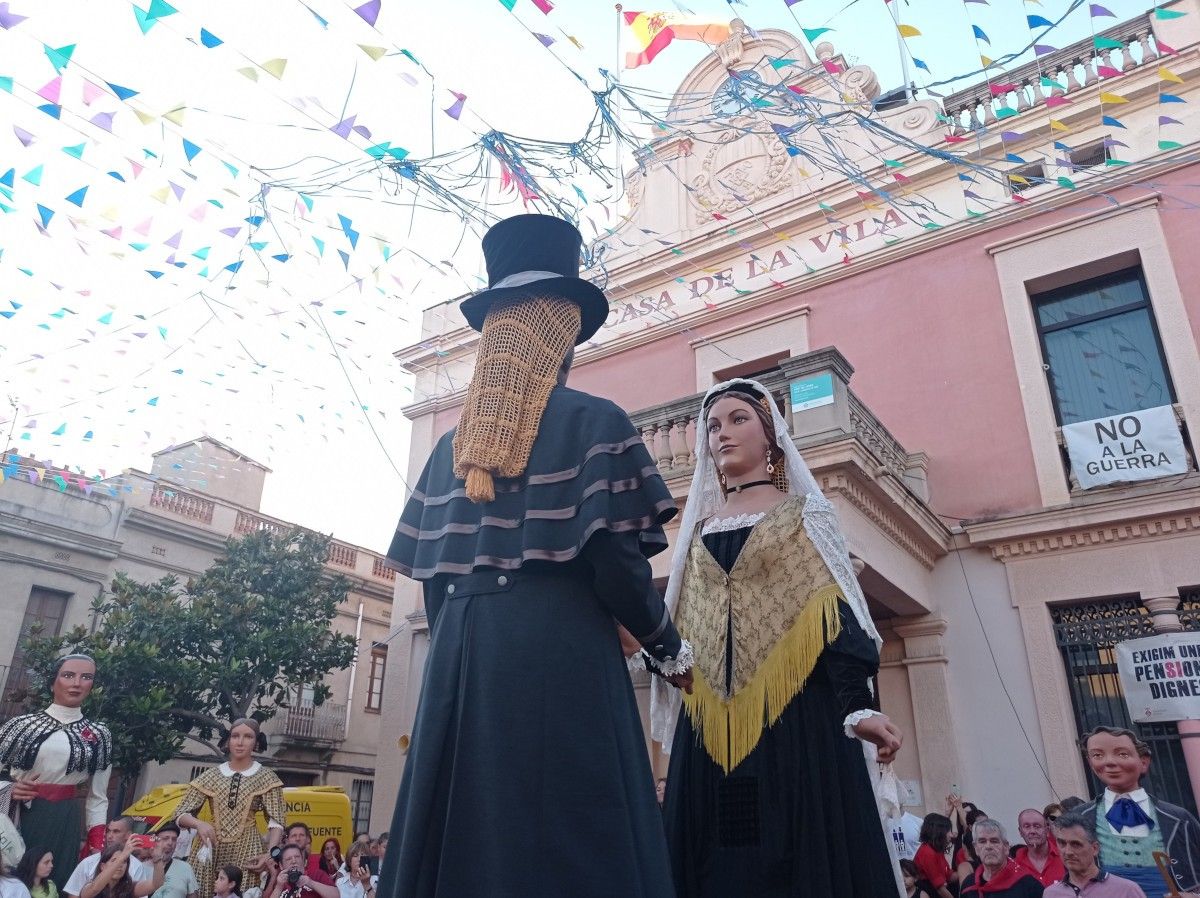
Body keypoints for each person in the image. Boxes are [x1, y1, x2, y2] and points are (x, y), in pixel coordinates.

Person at [378, 214, 691, 897]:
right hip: (560, 649)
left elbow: (435, 584)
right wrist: (671, 653)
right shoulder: (593, 421)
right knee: (574, 838)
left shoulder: (447, 451)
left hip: (461, 655)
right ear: (559, 335)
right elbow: (619, 570)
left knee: (463, 841)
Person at [651, 378, 903, 898]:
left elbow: (838, 613)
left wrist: (859, 706)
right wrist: (663, 657)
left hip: (794, 722)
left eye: (739, 419)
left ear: (770, 436)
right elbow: (678, 620)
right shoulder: (696, 531)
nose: (723, 433)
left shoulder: (806, 514)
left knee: (791, 858)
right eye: (713, 425)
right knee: (719, 866)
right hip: (709, 735)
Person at [0, 655, 113, 891]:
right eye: (68, 675)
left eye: (86, 677)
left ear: (92, 686)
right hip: (19, 815)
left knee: (56, 880)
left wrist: (97, 845)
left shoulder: (99, 734)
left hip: (64, 819)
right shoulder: (20, 725)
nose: (77, 683)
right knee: (14, 878)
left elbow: (98, 797)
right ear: (53, 682)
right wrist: (9, 788)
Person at [1077, 725, 1200, 896]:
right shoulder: (1079, 818)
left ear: (1143, 762)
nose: (1109, 762)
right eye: (1098, 755)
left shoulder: (1179, 819)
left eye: (1122, 754)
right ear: (1090, 763)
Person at [174, 719, 284, 898]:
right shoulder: (210, 776)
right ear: (228, 741)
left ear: (256, 742)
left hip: (248, 849)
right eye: (235, 736)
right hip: (210, 846)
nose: (240, 742)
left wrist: (269, 854)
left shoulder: (267, 777)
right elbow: (180, 814)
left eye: (247, 737)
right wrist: (199, 824)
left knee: (244, 892)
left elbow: (276, 821)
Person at [1044, 812, 1148, 897]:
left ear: (1095, 848)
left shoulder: (1126, 890)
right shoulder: (1051, 894)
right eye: (1062, 843)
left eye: (1076, 844)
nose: (1068, 851)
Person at [64, 820, 154, 897]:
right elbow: (74, 893)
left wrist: (158, 860)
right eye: (108, 831)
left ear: (128, 835)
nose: (110, 836)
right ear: (102, 866)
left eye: (116, 831)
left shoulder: (137, 866)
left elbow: (154, 885)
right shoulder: (88, 862)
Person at [959, 819, 1043, 897]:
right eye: (982, 842)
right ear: (976, 848)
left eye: (994, 841)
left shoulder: (1028, 885)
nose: (988, 846)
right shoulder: (969, 885)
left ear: (1006, 847)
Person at [79, 840, 165, 898]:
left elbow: (156, 884)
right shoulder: (90, 886)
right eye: (114, 860)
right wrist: (122, 856)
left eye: (124, 862)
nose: (120, 865)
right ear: (102, 866)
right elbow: (95, 889)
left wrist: (157, 858)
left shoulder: (129, 887)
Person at [1014, 810, 1065, 888]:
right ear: (1020, 832)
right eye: (1027, 826)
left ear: (1047, 830)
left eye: (1037, 826)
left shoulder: (1065, 856)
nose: (1032, 831)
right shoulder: (1014, 866)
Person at [262, 847, 335, 898]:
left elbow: (337, 895)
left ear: (304, 862)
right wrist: (278, 887)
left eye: (297, 857)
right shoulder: (280, 882)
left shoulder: (317, 875)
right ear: (281, 866)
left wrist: (311, 883)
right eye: (288, 859)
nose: (294, 861)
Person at [915, 813, 957, 898]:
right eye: (949, 831)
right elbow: (940, 888)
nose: (951, 835)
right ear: (939, 832)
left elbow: (949, 876)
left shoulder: (936, 849)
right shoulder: (928, 853)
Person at [148, 825, 197, 898]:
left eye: (174, 839)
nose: (170, 843)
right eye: (165, 838)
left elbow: (193, 896)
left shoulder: (185, 868)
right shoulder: (141, 866)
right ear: (155, 841)